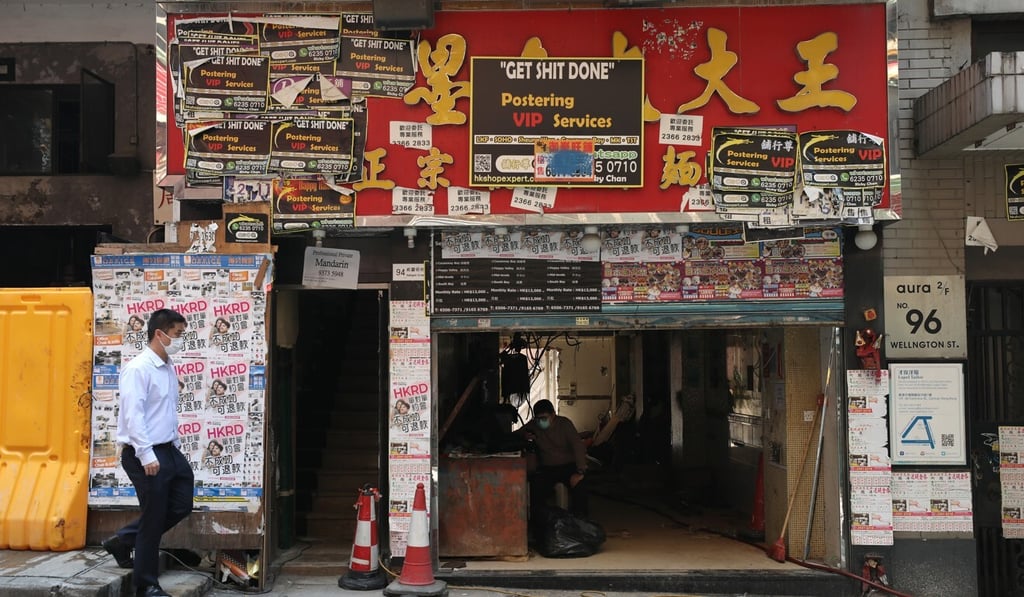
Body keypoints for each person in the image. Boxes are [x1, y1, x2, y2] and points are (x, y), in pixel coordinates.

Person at [102, 309, 194, 597]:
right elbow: (133, 415)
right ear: (160, 333)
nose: (180, 339)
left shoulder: (168, 366)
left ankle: (124, 540)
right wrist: (146, 455)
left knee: (181, 505)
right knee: (154, 517)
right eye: (177, 334)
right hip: (145, 452)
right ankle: (146, 584)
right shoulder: (138, 368)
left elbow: (165, 411)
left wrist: (174, 446)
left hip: (168, 449)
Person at [521, 399, 590, 521]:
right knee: (535, 488)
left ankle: (580, 521)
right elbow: (516, 434)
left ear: (553, 415)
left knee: (580, 487)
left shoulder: (564, 424)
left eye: (544, 418)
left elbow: (578, 446)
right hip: (547, 468)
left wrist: (580, 472)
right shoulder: (533, 426)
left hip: (568, 466)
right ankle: (540, 523)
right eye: (538, 419)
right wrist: (525, 436)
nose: (541, 421)